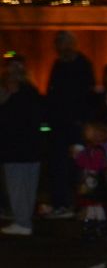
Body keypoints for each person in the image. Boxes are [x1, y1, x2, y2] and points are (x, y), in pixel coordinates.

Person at [44, 30, 96, 218]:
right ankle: (61, 203)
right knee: (58, 165)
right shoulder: (58, 65)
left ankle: (79, 204)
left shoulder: (83, 65)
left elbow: (88, 96)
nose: (61, 47)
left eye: (64, 43)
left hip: (75, 125)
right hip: (59, 125)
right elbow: (51, 94)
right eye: (59, 44)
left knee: (78, 166)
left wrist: (83, 121)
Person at [0, 54, 45, 236]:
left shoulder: (19, 92)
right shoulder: (30, 90)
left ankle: (22, 221)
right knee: (26, 186)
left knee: (18, 186)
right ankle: (24, 220)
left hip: (16, 147)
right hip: (29, 146)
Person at [74, 121, 107, 241]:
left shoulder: (99, 150)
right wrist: (78, 156)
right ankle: (91, 225)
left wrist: (83, 159)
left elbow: (97, 165)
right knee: (90, 205)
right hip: (89, 182)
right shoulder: (89, 149)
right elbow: (80, 162)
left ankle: (99, 225)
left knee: (97, 204)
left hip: (96, 182)